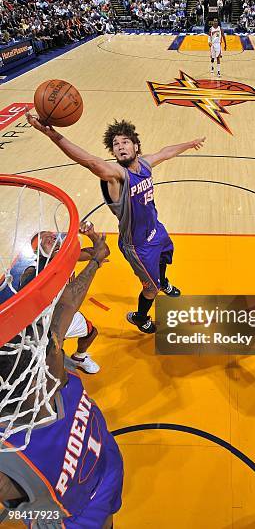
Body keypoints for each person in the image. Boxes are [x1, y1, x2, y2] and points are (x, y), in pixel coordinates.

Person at [26, 111, 206, 334]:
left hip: (156, 230)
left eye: (125, 142)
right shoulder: (115, 175)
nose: (120, 146)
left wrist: (189, 144)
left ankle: (163, 280)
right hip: (138, 245)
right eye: (115, 144)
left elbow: (166, 152)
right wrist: (53, 135)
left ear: (136, 147)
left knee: (164, 260)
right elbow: (90, 161)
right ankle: (141, 317)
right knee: (151, 289)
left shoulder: (145, 164)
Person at [0, 225, 123, 528]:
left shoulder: (50, 362)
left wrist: (95, 258)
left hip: (100, 480)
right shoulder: (51, 366)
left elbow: (65, 307)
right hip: (93, 489)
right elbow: (63, 311)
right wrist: (95, 260)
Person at [19, 228, 101, 374]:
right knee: (52, 366)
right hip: (44, 327)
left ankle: (79, 357)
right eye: (44, 240)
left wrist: (91, 234)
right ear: (38, 251)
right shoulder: (33, 272)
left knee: (91, 332)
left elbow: (100, 251)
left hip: (66, 311)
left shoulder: (67, 258)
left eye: (51, 235)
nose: (50, 238)